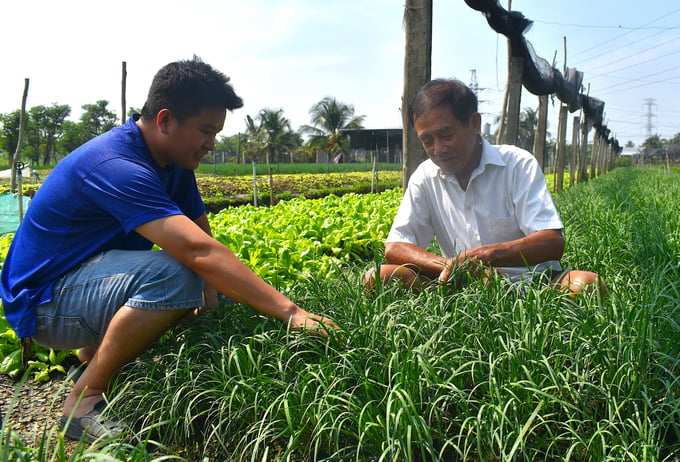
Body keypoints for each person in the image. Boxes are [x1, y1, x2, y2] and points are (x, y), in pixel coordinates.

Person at [0, 57, 337, 442]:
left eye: (217, 133)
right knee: (178, 274)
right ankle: (84, 400)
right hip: (45, 306)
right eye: (205, 131)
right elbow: (198, 253)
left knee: (206, 290)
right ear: (164, 120)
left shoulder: (173, 162)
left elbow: (201, 234)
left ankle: (95, 359)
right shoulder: (116, 164)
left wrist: (208, 299)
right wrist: (293, 313)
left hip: (82, 285)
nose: (212, 144)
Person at [364, 78, 601, 294]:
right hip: (461, 284)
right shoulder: (425, 177)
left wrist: (485, 257)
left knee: (587, 286)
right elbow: (396, 246)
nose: (438, 149)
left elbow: (551, 241)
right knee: (380, 276)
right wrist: (455, 267)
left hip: (534, 285)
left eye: (446, 135)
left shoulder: (517, 164)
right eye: (427, 140)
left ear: (474, 123)